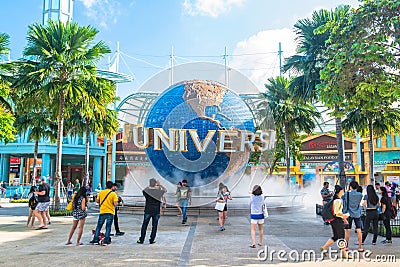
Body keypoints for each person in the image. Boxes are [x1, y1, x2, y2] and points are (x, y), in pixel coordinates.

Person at [321, 185, 350, 258]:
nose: (343, 192)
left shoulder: (335, 200)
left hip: (334, 220)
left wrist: (344, 218)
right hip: (337, 220)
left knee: (336, 236)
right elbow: (336, 212)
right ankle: (344, 254)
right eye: (343, 191)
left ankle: (324, 248)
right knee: (341, 236)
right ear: (340, 192)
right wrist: (344, 216)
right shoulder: (338, 200)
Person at [137, 178, 167, 244]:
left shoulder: (147, 191)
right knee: (154, 226)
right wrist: (160, 185)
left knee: (144, 225)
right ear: (156, 183)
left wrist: (149, 186)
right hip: (156, 210)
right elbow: (165, 190)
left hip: (148, 210)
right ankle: (152, 239)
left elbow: (143, 190)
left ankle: (141, 239)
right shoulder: (158, 191)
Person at [90, 181, 119, 245]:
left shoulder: (101, 192)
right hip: (110, 212)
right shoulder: (113, 194)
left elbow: (97, 201)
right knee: (108, 227)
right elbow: (115, 204)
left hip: (102, 211)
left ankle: (95, 240)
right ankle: (105, 241)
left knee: (99, 226)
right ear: (112, 187)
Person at [342, 181, 364, 252]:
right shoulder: (360, 195)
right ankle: (360, 247)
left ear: (350, 186)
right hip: (357, 213)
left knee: (348, 230)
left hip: (348, 214)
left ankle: (346, 246)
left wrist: (348, 191)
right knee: (359, 230)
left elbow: (342, 198)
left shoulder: (346, 194)